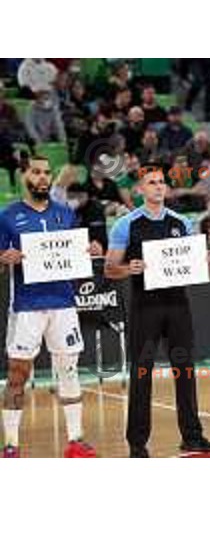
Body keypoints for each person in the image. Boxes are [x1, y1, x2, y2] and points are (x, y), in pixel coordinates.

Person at [104, 167, 210, 457]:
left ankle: (192, 436)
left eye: (161, 182)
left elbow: (195, 266)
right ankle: (137, 443)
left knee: (185, 370)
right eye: (151, 183)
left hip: (178, 304)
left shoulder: (182, 222)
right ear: (141, 189)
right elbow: (109, 268)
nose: (158, 187)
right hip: (145, 306)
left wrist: (209, 264)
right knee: (142, 373)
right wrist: (127, 269)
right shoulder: (126, 225)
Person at [0, 154, 102, 458]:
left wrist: (90, 251)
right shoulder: (7, 216)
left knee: (69, 370)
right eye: (36, 172)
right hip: (27, 306)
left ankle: (75, 440)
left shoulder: (65, 213)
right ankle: (11, 444)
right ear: (24, 177)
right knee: (18, 374)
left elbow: (74, 255)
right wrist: (4, 258)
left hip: (63, 304)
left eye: (47, 172)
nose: (43, 177)